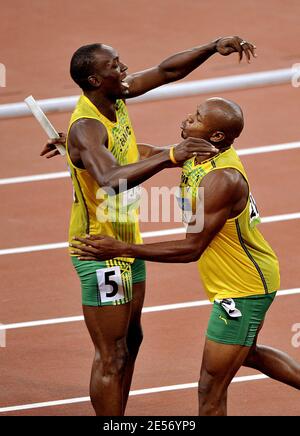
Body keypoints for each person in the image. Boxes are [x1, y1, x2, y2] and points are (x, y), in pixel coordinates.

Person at [41, 38, 256, 416]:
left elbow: (166, 71)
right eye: (114, 66)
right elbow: (109, 177)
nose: (123, 69)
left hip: (125, 241)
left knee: (132, 342)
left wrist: (211, 47)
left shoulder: (116, 96)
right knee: (112, 355)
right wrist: (173, 155)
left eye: (120, 61)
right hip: (100, 249)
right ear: (94, 79)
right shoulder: (86, 127)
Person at [70, 97, 300, 416]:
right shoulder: (198, 153)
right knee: (248, 353)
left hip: (243, 289)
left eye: (197, 118)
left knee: (209, 390)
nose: (187, 119)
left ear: (216, 136)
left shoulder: (222, 180)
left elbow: (191, 248)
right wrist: (85, 149)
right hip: (236, 279)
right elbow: (144, 153)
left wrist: (123, 248)